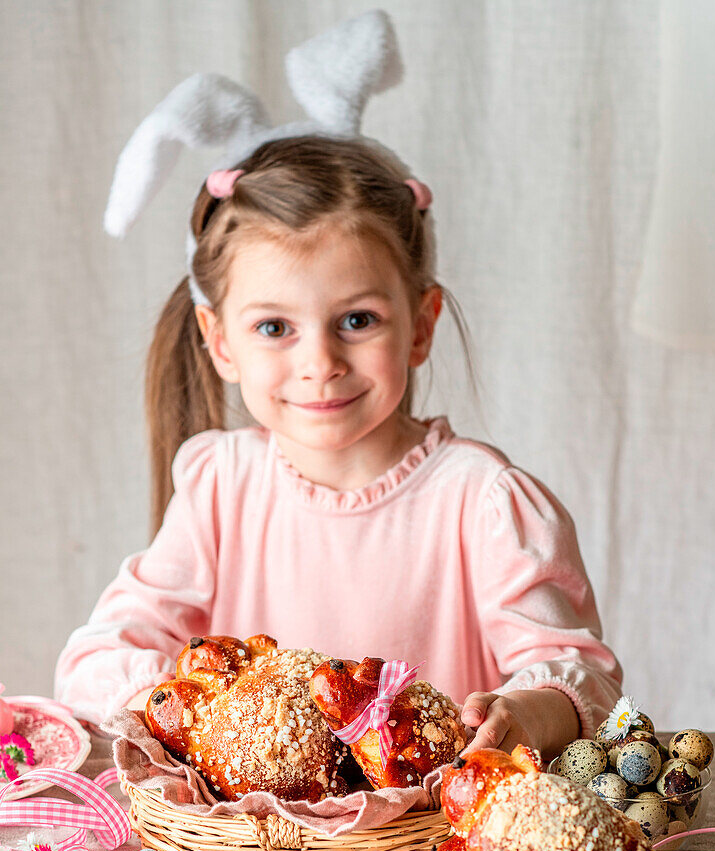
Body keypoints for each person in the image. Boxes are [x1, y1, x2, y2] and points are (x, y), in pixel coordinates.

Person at [54, 16, 622, 761]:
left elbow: (581, 677)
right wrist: (197, 710)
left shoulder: (481, 501)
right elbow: (91, 662)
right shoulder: (221, 487)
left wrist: (526, 711)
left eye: (356, 319)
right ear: (220, 341)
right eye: (273, 328)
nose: (319, 361)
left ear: (419, 326)